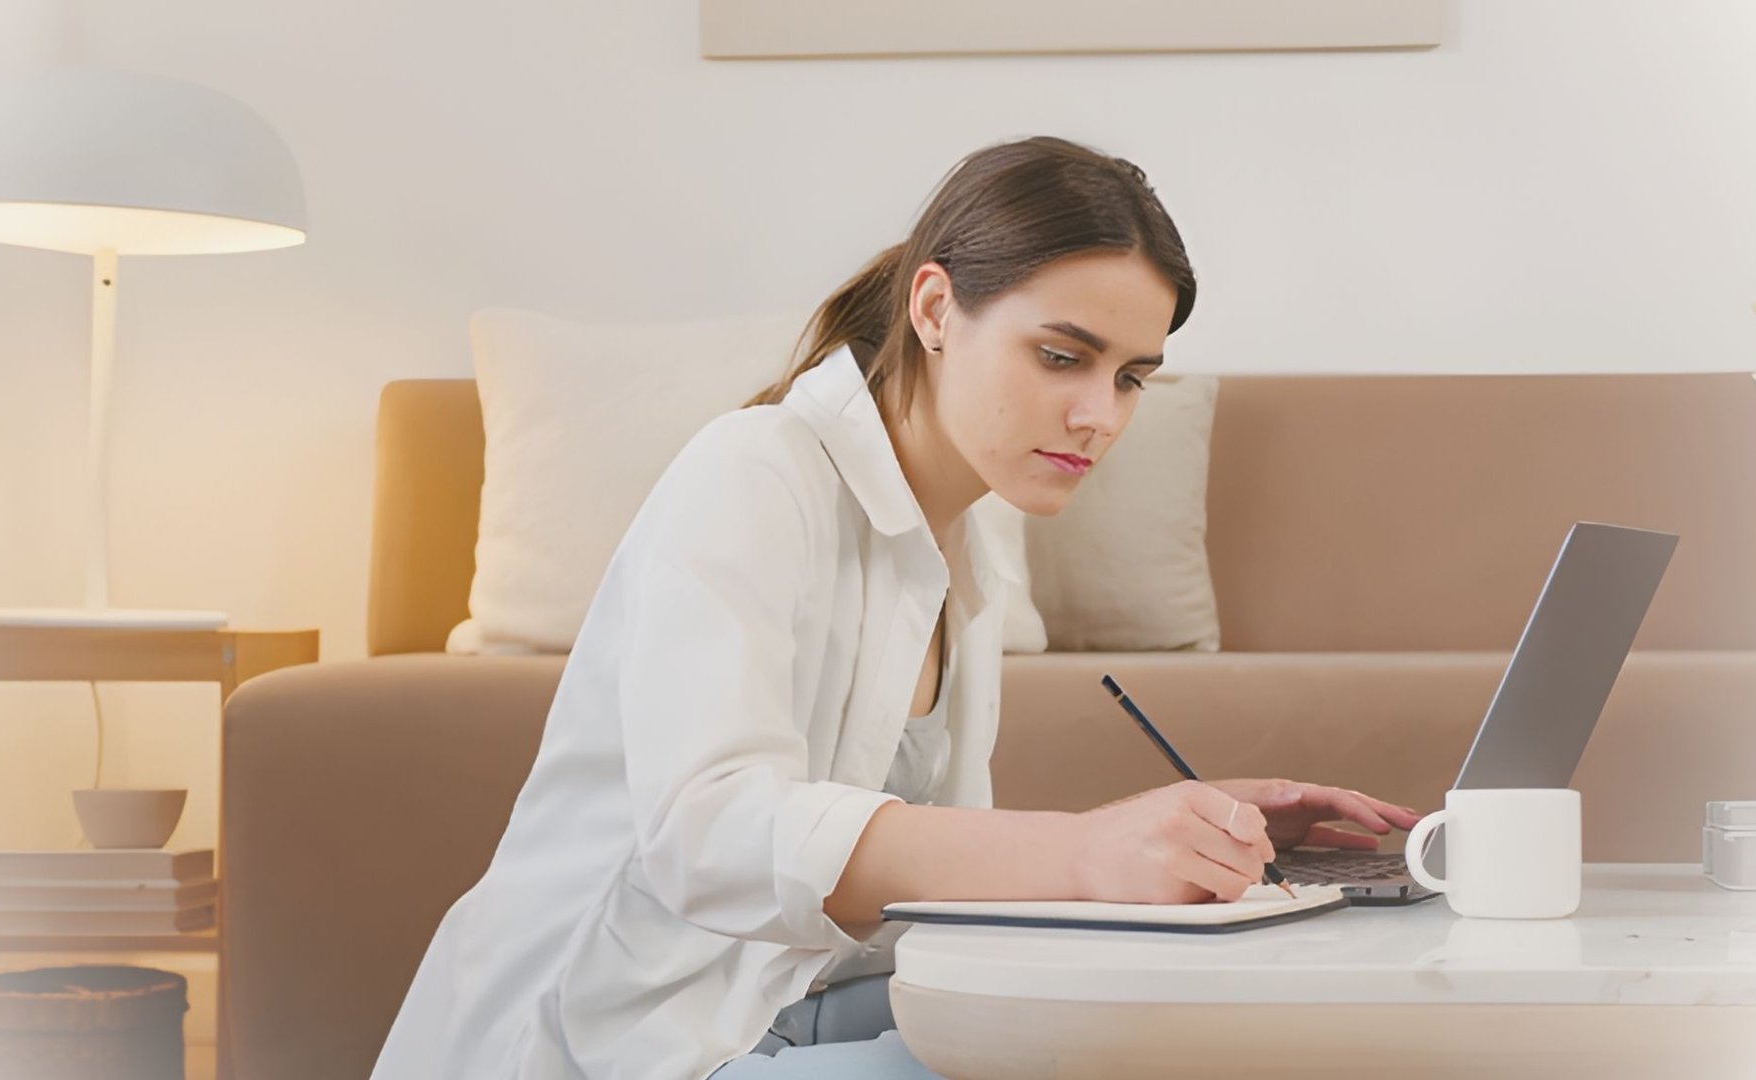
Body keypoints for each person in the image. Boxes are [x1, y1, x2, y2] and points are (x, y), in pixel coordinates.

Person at [369, 134, 1422, 1080]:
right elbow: (710, 833)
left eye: (1132, 375)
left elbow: (910, 882)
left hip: (791, 1004)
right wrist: (1086, 853)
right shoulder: (755, 469)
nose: (1099, 414)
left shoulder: (968, 546)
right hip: (630, 1034)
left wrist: (1180, 837)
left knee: (1173, 1029)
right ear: (933, 309)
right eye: (1062, 356)